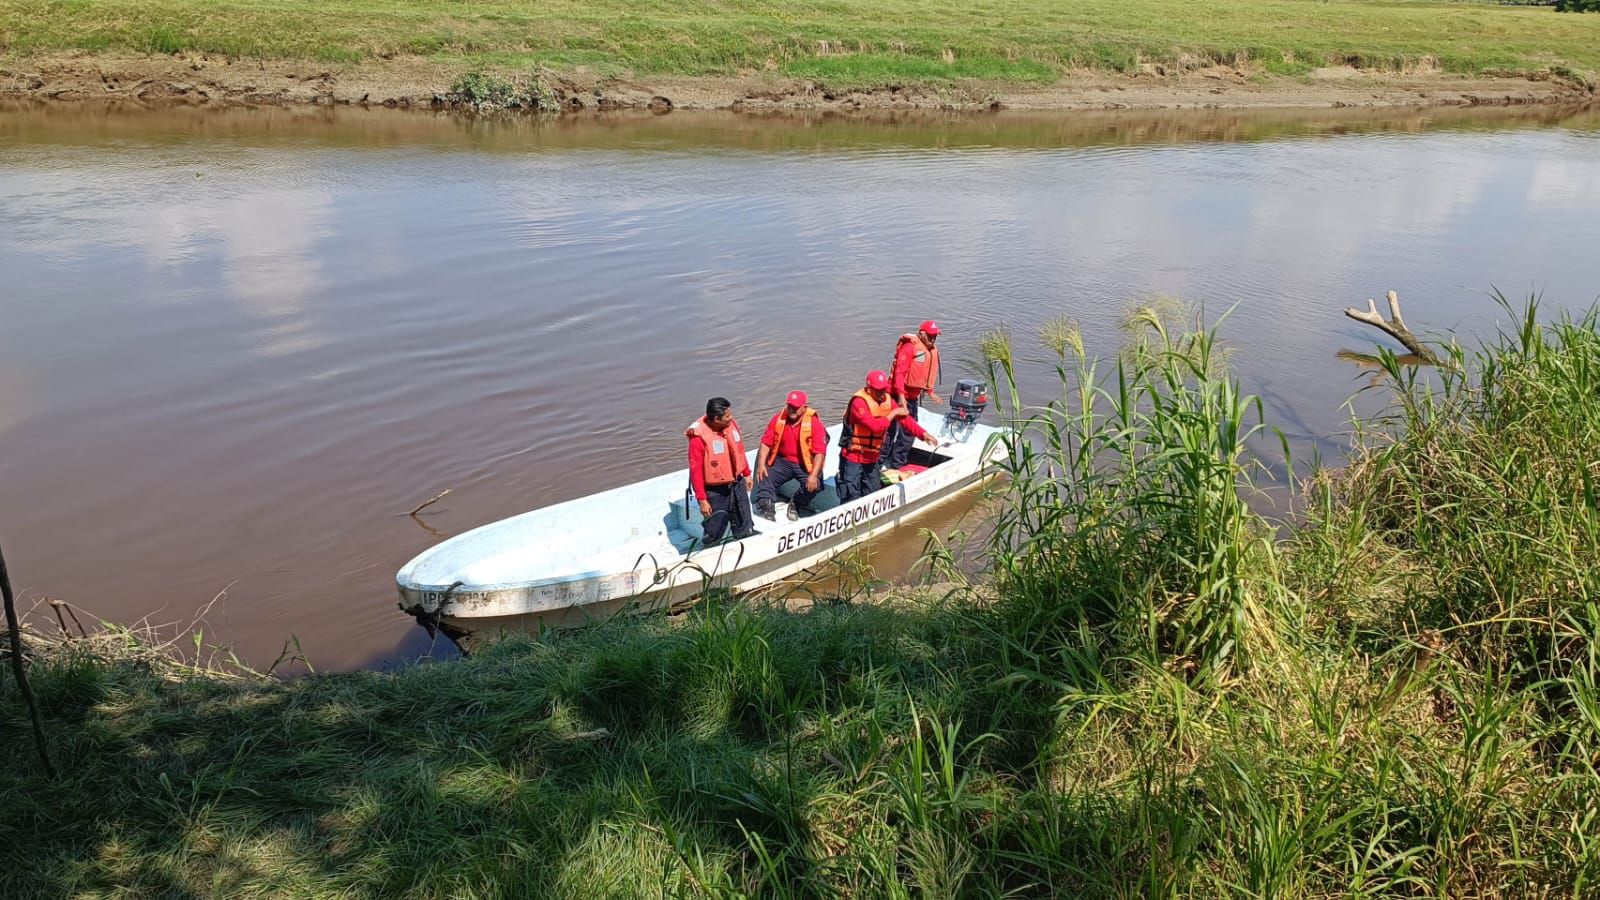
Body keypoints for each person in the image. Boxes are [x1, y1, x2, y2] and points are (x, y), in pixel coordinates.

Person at [838, 370, 937, 503]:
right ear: (869, 389)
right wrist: (894, 412)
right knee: (851, 495)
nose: (881, 393)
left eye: (884, 389)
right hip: (853, 456)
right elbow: (875, 427)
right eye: (878, 390)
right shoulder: (859, 403)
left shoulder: (887, 401)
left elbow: (904, 419)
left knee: (873, 493)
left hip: (871, 457)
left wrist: (923, 434)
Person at [686, 397, 755, 543]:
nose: (731, 419)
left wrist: (747, 474)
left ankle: (744, 545)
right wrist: (702, 500)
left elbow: (740, 451)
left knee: (745, 523)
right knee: (714, 530)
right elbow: (695, 470)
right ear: (716, 419)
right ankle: (710, 549)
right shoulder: (698, 438)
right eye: (727, 417)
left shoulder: (731, 425)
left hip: (737, 483)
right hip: (715, 490)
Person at [754, 390, 828, 522]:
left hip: (804, 464)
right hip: (783, 462)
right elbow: (766, 442)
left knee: (815, 485)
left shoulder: (814, 424)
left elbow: (819, 453)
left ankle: (796, 503)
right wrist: (761, 465)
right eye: (790, 406)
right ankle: (767, 506)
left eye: (796, 407)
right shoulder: (778, 419)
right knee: (764, 475)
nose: (792, 410)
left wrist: (813, 475)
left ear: (804, 407)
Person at [884, 320, 943, 473]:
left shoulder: (930, 349)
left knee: (908, 432)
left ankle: (898, 463)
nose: (933, 339)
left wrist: (930, 392)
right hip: (895, 394)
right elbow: (899, 375)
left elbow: (925, 375)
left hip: (910, 397)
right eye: (930, 336)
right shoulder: (909, 347)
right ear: (922, 333)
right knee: (889, 430)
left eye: (935, 336)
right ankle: (879, 462)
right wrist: (902, 400)